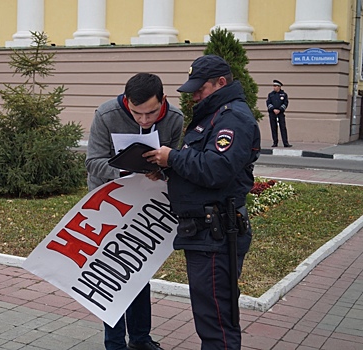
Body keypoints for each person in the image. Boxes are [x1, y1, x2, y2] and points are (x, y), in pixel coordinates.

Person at [143, 55, 261, 350]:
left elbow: (217, 169)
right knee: (211, 318)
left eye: (200, 89)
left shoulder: (232, 118)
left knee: (217, 324)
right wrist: (169, 168)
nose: (194, 96)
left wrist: (173, 157)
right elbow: (203, 166)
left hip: (215, 236)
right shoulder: (215, 114)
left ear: (221, 82)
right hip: (204, 234)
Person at [85, 72, 184, 350]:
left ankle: (140, 339)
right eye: (136, 113)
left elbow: (175, 161)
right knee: (112, 274)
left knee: (139, 271)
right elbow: (93, 162)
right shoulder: (106, 114)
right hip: (108, 203)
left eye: (151, 113)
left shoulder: (174, 118)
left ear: (162, 101)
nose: (144, 120)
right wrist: (126, 170)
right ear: (126, 101)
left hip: (146, 204)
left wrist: (162, 169)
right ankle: (114, 343)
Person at [266, 79, 291, 147]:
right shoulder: (270, 95)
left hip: (280, 113)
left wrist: (280, 110)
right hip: (272, 113)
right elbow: (268, 103)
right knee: (273, 128)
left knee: (283, 128)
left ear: (279, 87)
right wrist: (273, 109)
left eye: (276, 86)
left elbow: (285, 103)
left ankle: (285, 143)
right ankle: (275, 142)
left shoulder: (284, 94)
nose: (274, 87)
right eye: (274, 86)